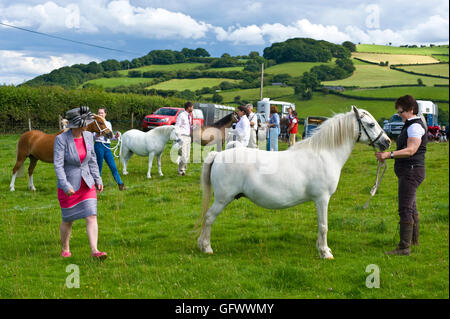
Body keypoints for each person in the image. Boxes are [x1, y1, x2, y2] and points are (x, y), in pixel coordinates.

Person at [375, 95, 427, 256]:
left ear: (411, 110)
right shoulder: (410, 124)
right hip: (410, 170)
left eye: (401, 111)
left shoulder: (415, 127)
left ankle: (404, 247)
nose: (399, 114)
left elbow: (411, 150)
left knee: (405, 208)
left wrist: (388, 155)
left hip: (411, 171)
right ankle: (413, 241)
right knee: (411, 207)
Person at [54, 106, 107, 259]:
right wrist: (65, 185)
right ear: (78, 123)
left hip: (87, 183)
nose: (88, 124)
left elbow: (92, 160)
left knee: (91, 215)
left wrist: (98, 179)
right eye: (86, 122)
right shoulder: (61, 139)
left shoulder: (89, 136)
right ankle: (65, 247)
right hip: (69, 185)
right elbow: (58, 164)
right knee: (68, 220)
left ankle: (95, 251)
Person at [93, 108, 126, 191]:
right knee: (98, 167)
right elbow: (92, 137)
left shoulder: (108, 124)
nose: (100, 114)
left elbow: (110, 137)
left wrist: (115, 137)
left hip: (107, 147)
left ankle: (120, 184)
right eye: (99, 113)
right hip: (98, 145)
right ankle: (97, 185)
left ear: (105, 114)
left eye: (102, 113)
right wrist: (96, 135)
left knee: (113, 166)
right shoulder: (95, 123)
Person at [175, 101, 194, 176]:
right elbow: (177, 126)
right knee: (183, 155)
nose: (193, 108)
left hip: (188, 137)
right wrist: (178, 138)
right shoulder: (181, 115)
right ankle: (180, 171)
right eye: (192, 107)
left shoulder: (189, 116)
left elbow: (187, 126)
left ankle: (183, 171)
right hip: (182, 137)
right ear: (189, 107)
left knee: (187, 156)